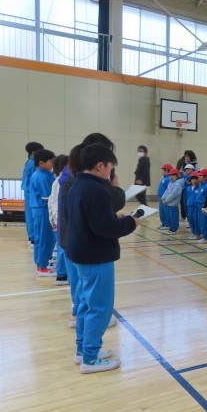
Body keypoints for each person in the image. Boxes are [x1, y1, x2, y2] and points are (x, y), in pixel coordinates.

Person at [65, 143, 139, 374]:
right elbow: (104, 228)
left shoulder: (76, 185)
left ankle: (83, 350)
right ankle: (90, 359)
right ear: (100, 166)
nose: (111, 172)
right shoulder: (97, 190)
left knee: (85, 305)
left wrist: (113, 216)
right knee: (99, 308)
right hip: (95, 255)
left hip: (80, 253)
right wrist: (130, 222)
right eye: (110, 167)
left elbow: (88, 219)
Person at [30, 149, 57, 277]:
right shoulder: (41, 176)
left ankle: (40, 264)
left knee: (41, 238)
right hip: (43, 209)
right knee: (45, 238)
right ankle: (42, 266)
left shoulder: (44, 174)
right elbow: (48, 196)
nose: (53, 164)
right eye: (51, 161)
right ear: (41, 163)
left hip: (40, 209)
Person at [48, 154, 69, 285]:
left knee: (61, 247)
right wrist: (55, 218)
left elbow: (51, 201)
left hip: (57, 217)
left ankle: (61, 274)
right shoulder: (62, 181)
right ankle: (61, 275)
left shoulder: (58, 180)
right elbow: (54, 202)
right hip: (59, 218)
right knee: (63, 248)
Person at [22, 142, 44, 246]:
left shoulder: (29, 162)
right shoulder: (32, 164)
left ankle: (32, 237)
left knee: (30, 214)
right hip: (31, 192)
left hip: (29, 191)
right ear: (34, 152)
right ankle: (33, 238)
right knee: (32, 215)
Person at [161, 168, 184, 234]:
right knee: (169, 217)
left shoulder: (178, 185)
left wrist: (167, 200)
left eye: (173, 175)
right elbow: (167, 191)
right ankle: (171, 228)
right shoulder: (170, 183)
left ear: (177, 176)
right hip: (168, 204)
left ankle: (174, 229)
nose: (171, 177)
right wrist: (163, 198)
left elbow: (174, 194)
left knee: (173, 217)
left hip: (173, 204)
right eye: (170, 175)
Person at [195, 169, 207, 244]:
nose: (198, 176)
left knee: (204, 221)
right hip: (198, 205)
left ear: (206, 177)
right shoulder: (200, 185)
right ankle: (203, 235)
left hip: (203, 206)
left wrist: (205, 207)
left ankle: (205, 237)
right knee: (200, 221)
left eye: (200, 175)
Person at [186, 173, 202, 240]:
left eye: (196, 179)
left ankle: (198, 234)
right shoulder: (188, 188)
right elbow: (187, 197)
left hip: (196, 207)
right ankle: (193, 232)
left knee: (196, 219)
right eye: (192, 179)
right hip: (189, 206)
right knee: (190, 219)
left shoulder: (200, 188)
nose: (194, 180)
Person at [157, 164, 173, 230]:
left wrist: (167, 198)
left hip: (165, 198)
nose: (162, 171)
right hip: (161, 198)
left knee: (166, 212)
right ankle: (163, 223)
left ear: (166, 170)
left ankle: (167, 224)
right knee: (162, 212)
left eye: (163, 170)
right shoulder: (165, 178)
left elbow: (169, 189)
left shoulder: (168, 179)